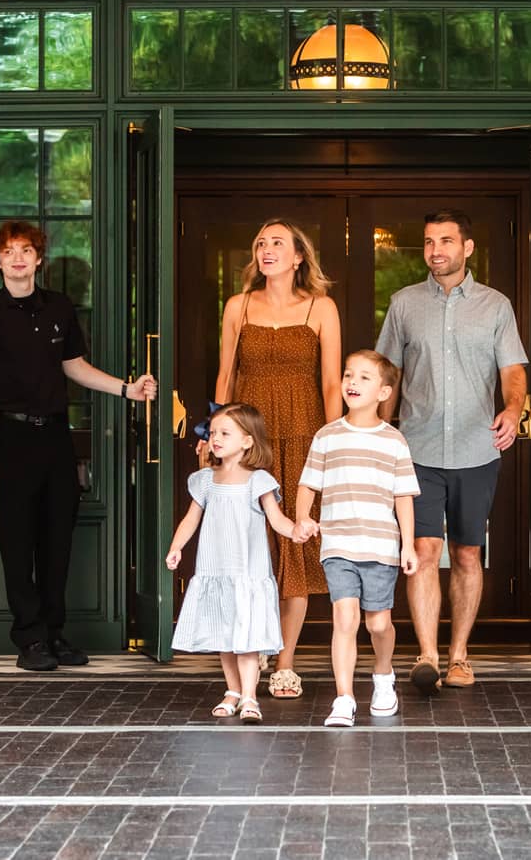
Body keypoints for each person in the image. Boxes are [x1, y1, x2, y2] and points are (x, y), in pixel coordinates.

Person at [0, 220, 157, 671]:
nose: (19, 258)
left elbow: (75, 367)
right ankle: (29, 639)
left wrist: (127, 390)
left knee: (56, 538)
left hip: (56, 436)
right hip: (13, 438)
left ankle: (54, 633)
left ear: (38, 258)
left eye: (26, 250)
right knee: (18, 537)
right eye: (9, 252)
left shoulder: (59, 309)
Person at [376, 209, 528, 695]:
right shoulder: (403, 304)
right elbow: (388, 377)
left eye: (445, 241)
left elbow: (513, 369)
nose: (435, 250)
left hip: (475, 448)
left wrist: (513, 408)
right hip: (415, 449)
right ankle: (426, 654)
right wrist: (378, 436)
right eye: (427, 242)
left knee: (466, 553)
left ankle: (459, 657)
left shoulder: (495, 306)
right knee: (422, 552)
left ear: (467, 248)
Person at [211, 218, 342, 700]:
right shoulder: (238, 305)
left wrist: (335, 444)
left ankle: (285, 661)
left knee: (295, 549)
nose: (267, 249)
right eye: (260, 242)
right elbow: (225, 377)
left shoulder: (321, 308)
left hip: (304, 436)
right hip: (250, 439)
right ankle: (252, 647)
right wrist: (215, 438)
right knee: (248, 547)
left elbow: (331, 383)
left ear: (298, 257)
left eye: (277, 243)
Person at [294, 350, 420, 728]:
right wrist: (303, 517)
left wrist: (408, 545)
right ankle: (344, 697)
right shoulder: (327, 436)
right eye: (349, 374)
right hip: (338, 545)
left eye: (364, 377)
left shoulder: (394, 441)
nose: (352, 382)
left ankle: (383, 677)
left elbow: (404, 499)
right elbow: (307, 484)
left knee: (378, 623)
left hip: (381, 546)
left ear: (384, 392)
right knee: (345, 619)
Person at [166, 403, 304, 724]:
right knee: (224, 636)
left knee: (246, 639)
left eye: (225, 433)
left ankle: (250, 695)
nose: (215, 439)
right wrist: (176, 547)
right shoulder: (204, 480)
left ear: (247, 441)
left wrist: (296, 530)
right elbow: (190, 519)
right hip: (216, 571)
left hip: (248, 573)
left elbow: (277, 520)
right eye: (213, 432)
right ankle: (233, 690)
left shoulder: (259, 480)